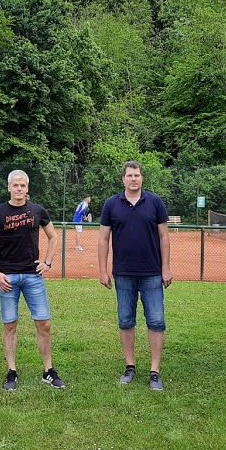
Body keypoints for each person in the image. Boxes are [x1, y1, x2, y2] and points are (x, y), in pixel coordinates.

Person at [0, 169, 63, 391]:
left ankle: (48, 371)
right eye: (15, 185)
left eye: (22, 185)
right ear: (9, 187)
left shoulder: (37, 210)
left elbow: (53, 236)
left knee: (44, 323)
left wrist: (47, 262)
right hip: (7, 276)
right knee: (10, 325)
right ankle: (12, 372)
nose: (19, 189)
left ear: (27, 188)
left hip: (33, 275)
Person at [98, 161, 172, 390]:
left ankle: (154, 371)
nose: (133, 179)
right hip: (123, 273)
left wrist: (166, 268)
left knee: (157, 321)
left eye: (137, 175)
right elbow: (103, 239)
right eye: (129, 175)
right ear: (123, 179)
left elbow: (164, 238)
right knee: (126, 320)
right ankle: (130, 367)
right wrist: (103, 270)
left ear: (142, 178)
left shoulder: (155, 202)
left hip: (151, 273)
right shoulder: (111, 204)